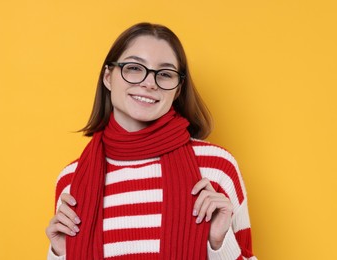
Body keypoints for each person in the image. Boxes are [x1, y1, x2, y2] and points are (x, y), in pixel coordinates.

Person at [46, 22, 257, 260]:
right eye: (135, 68)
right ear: (108, 76)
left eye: (165, 74)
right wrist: (60, 254)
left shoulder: (216, 167)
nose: (149, 83)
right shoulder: (72, 180)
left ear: (178, 90)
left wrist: (220, 243)